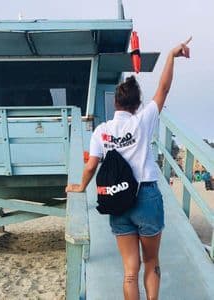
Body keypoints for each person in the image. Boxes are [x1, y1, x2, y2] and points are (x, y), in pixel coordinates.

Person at [66, 37, 192, 300]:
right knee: (152, 262)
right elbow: (164, 88)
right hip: (146, 197)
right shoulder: (143, 121)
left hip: (117, 200)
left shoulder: (102, 131)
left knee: (129, 272)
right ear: (137, 105)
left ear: (116, 104)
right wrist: (171, 55)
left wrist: (80, 187)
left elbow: (91, 167)